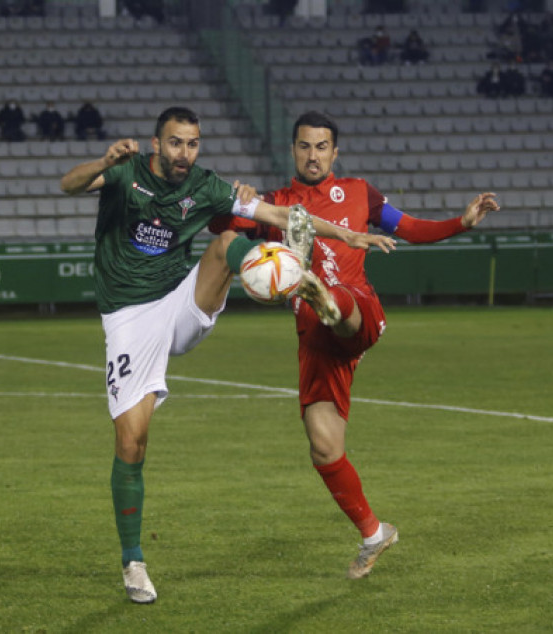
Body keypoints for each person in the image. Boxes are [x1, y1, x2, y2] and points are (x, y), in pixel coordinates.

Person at [59, 106, 393, 605]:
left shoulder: (204, 184)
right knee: (132, 441)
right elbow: (69, 184)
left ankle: (277, 275)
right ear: (156, 144)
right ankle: (133, 561)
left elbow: (281, 215)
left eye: (192, 144)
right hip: (129, 319)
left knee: (228, 240)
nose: (184, 153)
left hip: (179, 301)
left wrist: (345, 234)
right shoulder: (125, 172)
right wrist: (101, 162)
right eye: (175, 143)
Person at [210, 111, 499, 580]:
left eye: (322, 147)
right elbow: (217, 226)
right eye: (304, 146)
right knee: (324, 448)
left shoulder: (359, 194)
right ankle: (373, 533)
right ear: (293, 150)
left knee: (338, 303)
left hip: (358, 310)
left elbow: (408, 227)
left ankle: (321, 295)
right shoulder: (275, 205)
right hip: (316, 343)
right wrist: (238, 201)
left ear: (335, 152)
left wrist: (461, 222)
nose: (313, 155)